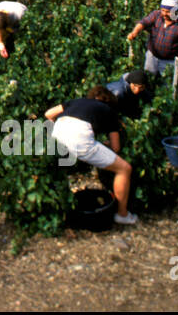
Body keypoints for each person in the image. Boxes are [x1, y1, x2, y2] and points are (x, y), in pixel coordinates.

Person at [46, 86, 137, 225]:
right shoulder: (109, 111)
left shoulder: (76, 101)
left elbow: (48, 114)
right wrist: (104, 144)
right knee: (124, 169)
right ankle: (122, 214)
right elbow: (116, 147)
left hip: (57, 134)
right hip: (79, 139)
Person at [126, 0, 178, 82]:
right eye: (163, 10)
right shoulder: (156, 15)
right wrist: (134, 32)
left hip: (169, 61)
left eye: (168, 12)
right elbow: (144, 22)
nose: (164, 14)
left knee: (167, 84)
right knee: (148, 79)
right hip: (152, 56)